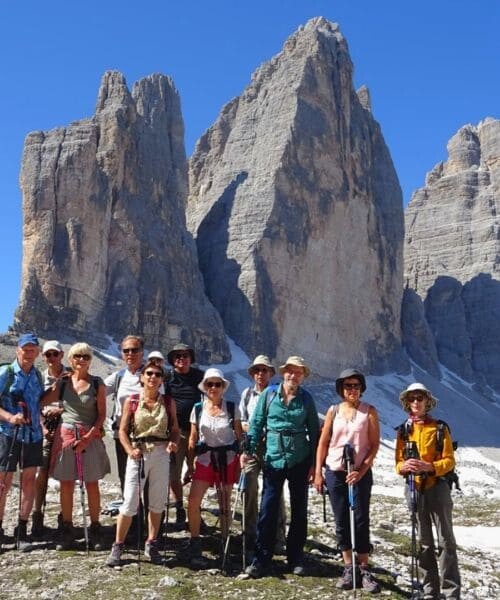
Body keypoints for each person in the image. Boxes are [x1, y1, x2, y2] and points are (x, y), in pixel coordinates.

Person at [243, 356, 319, 578]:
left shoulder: (307, 399)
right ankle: (261, 558)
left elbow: (314, 432)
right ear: (283, 372)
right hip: (273, 457)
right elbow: (256, 424)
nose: (293, 375)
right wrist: (248, 450)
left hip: (299, 459)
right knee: (268, 508)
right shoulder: (269, 394)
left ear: (303, 376)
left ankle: (295, 558)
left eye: (298, 372)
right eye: (290, 371)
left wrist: (315, 464)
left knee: (299, 510)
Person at [106, 360, 180, 566]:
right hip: (138, 453)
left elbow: (174, 429)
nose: (152, 377)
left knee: (157, 502)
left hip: (161, 453)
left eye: (157, 374)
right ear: (142, 377)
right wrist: (130, 450)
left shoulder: (168, 402)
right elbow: (121, 430)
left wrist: (174, 443)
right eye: (149, 373)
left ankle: (152, 542)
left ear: (162, 379)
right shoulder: (132, 401)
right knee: (130, 501)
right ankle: (118, 545)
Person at [314, 368, 380, 593]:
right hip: (335, 471)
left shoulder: (369, 412)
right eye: (348, 386)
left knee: (361, 519)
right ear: (341, 389)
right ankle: (348, 567)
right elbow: (323, 442)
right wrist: (317, 473)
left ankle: (364, 568)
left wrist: (361, 471)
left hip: (359, 472)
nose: (353, 390)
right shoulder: (333, 411)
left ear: (361, 389)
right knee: (341, 519)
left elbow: (373, 445)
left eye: (356, 386)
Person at [395, 383, 461, 599]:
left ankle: (451, 593)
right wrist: (404, 467)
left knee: (446, 542)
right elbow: (398, 462)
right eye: (412, 399)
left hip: (438, 487)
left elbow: (449, 460)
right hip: (413, 487)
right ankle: (430, 591)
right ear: (407, 403)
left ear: (427, 402)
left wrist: (430, 467)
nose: (416, 402)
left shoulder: (440, 428)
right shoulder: (403, 430)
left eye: (420, 398)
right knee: (424, 542)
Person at [45, 342, 110, 550]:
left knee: (91, 482)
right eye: (77, 356)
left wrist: (89, 437)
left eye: (86, 356)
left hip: (88, 436)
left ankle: (95, 527)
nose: (81, 359)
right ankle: (67, 528)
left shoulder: (97, 383)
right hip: (65, 436)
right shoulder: (63, 383)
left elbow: (101, 415)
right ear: (70, 359)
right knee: (66, 483)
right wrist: (56, 386)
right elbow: (41, 401)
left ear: (90, 360)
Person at [181, 368, 242, 559]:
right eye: (210, 384)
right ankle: (195, 539)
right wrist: (190, 466)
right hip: (205, 460)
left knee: (224, 503)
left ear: (223, 387)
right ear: (205, 387)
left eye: (217, 384)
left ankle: (224, 540)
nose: (213, 387)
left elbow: (239, 439)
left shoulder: (232, 408)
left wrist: (239, 467)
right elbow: (192, 439)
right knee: (193, 502)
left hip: (227, 461)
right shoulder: (198, 409)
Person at [0, 333, 44, 551]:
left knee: (28, 481)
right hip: (8, 434)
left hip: (34, 435)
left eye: (32, 349)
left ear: (37, 352)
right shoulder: (5, 373)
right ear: (17, 350)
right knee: (3, 483)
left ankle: (22, 530)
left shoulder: (38, 376)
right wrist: (10, 417)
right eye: (24, 349)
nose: (28, 353)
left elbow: (39, 403)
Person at [239, 355, 286, 555]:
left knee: (275, 491)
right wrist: (253, 430)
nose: (260, 374)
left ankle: (278, 538)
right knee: (248, 486)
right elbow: (242, 420)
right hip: (252, 447)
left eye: (264, 370)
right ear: (252, 374)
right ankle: (250, 534)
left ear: (271, 374)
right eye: (257, 370)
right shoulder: (247, 394)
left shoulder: (278, 393)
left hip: (272, 447)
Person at [31, 340, 69, 538]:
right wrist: (43, 427)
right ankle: (37, 516)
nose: (51, 358)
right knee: (41, 472)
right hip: (45, 429)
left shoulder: (71, 375)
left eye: (55, 354)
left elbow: (78, 404)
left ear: (61, 355)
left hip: (66, 429)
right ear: (43, 357)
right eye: (47, 355)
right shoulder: (38, 377)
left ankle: (65, 517)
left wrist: (60, 409)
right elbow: (33, 403)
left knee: (64, 473)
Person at [165, 343, 204, 526]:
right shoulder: (167, 377)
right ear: (173, 360)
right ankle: (180, 506)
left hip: (197, 431)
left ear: (191, 358)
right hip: (176, 431)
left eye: (185, 355)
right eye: (178, 355)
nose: (182, 358)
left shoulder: (200, 377)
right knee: (174, 472)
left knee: (197, 472)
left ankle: (196, 511)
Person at [105, 335, 145, 494]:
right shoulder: (118, 376)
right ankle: (131, 515)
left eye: (134, 350)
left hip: (145, 434)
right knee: (124, 474)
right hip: (121, 434)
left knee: (144, 476)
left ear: (142, 352)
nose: (130, 353)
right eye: (126, 350)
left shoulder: (151, 374)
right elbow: (97, 391)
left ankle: (147, 516)